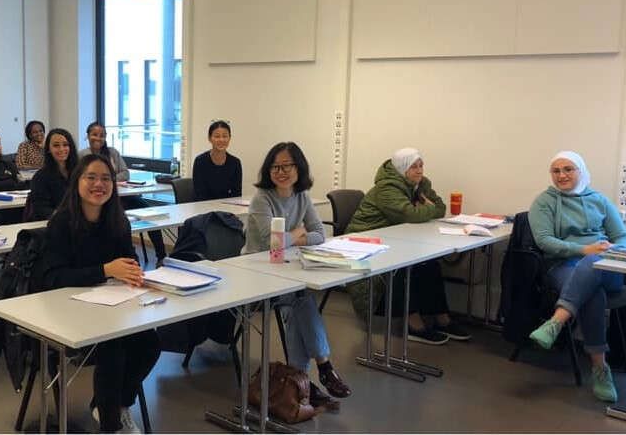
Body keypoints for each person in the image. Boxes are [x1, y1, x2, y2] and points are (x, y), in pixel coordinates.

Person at [44, 153, 159, 433]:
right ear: (77, 182)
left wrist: (133, 273)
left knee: (150, 343)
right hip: (67, 309)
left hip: (111, 304)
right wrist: (106, 270)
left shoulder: (117, 220)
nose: (99, 184)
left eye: (106, 178)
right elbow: (52, 278)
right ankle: (110, 425)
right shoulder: (61, 223)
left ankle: (117, 405)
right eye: (91, 177)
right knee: (114, 344)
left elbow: (130, 260)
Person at [245, 142, 351, 409]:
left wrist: (292, 238)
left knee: (299, 301)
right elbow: (272, 242)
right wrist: (298, 234)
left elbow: (319, 234)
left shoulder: (302, 196)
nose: (281, 172)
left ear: (298, 168)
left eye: (287, 166)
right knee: (300, 300)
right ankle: (322, 368)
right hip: (255, 271)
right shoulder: (262, 198)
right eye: (275, 167)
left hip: (286, 267)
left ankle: (301, 381)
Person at [527, 151, 626, 403]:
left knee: (593, 265)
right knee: (592, 292)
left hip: (605, 266)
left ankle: (556, 321)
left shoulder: (599, 200)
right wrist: (584, 250)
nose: (561, 175)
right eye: (556, 171)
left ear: (580, 171)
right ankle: (600, 368)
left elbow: (625, 238)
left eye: (568, 169)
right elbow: (544, 241)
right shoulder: (544, 202)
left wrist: (609, 249)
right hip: (562, 266)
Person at [345, 148, 470, 345]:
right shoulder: (387, 188)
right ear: (401, 169)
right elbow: (411, 215)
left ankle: (441, 317)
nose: (419, 170)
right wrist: (426, 208)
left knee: (429, 263)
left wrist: (426, 209)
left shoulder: (421, 185)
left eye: (421, 165)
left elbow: (441, 208)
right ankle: (413, 324)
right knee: (402, 267)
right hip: (364, 244)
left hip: (394, 240)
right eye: (413, 167)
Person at [79, 122, 167, 263]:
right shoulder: (82, 155)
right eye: (94, 135)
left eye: (102, 135)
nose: (98, 138)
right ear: (88, 136)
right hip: (99, 201)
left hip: (122, 197)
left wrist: (109, 180)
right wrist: (107, 179)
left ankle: (161, 256)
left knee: (148, 212)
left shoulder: (112, 152)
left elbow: (125, 173)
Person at [25, 128, 77, 222]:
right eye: (56, 145)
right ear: (49, 149)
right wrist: (65, 218)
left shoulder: (80, 172)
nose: (61, 149)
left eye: (65, 145)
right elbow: (41, 209)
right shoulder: (41, 177)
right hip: (52, 222)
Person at [192, 120, 242, 201]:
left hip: (227, 206)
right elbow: (199, 194)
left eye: (225, 136)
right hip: (203, 206)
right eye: (217, 136)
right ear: (209, 138)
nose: (221, 140)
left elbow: (236, 195)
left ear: (229, 138)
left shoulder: (235, 163)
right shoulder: (200, 161)